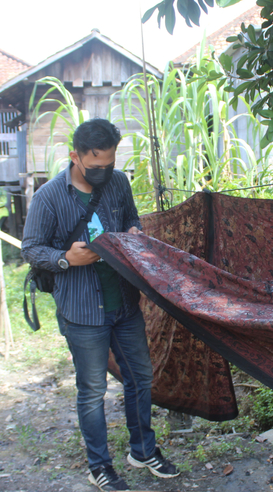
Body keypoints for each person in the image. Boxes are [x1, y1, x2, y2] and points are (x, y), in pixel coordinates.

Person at [22, 118, 179, 491]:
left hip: (123, 301)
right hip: (81, 310)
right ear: (74, 156)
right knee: (92, 391)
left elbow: (130, 218)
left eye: (109, 164)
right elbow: (31, 249)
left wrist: (135, 232)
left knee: (140, 378)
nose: (103, 172)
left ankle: (142, 450)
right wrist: (65, 259)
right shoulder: (48, 197)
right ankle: (99, 465)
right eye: (95, 166)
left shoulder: (118, 182)